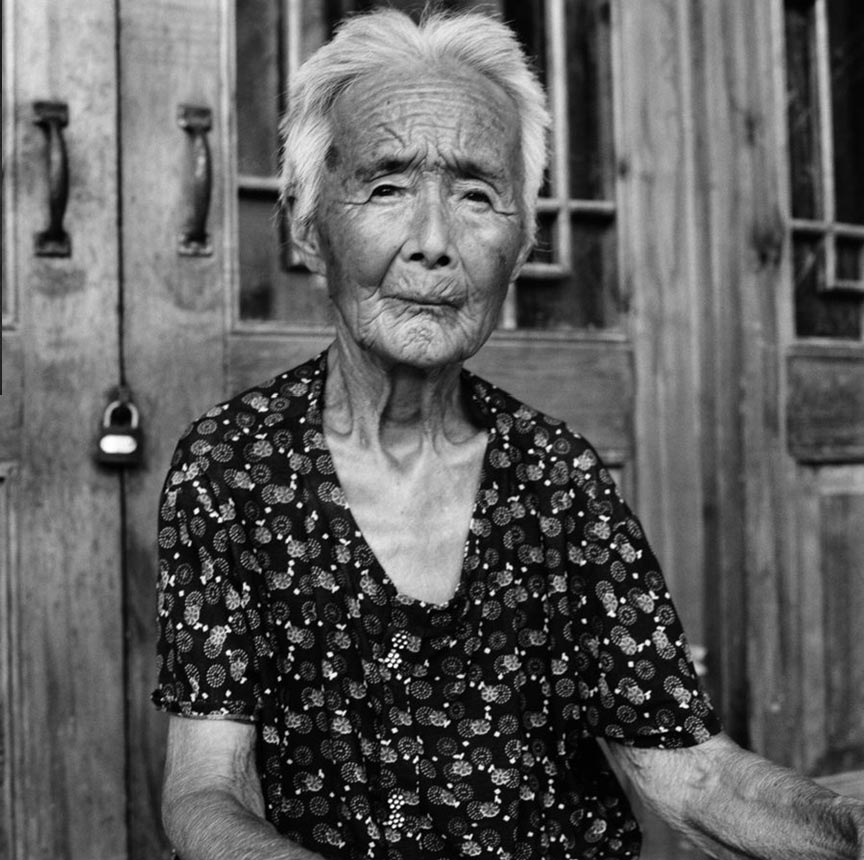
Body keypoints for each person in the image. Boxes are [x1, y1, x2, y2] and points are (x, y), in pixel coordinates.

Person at [153, 8, 864, 860]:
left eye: (477, 195)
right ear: (308, 226)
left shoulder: (558, 477)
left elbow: (690, 777)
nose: (433, 245)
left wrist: (847, 833)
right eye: (385, 187)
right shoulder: (230, 468)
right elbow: (205, 789)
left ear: (523, 242)